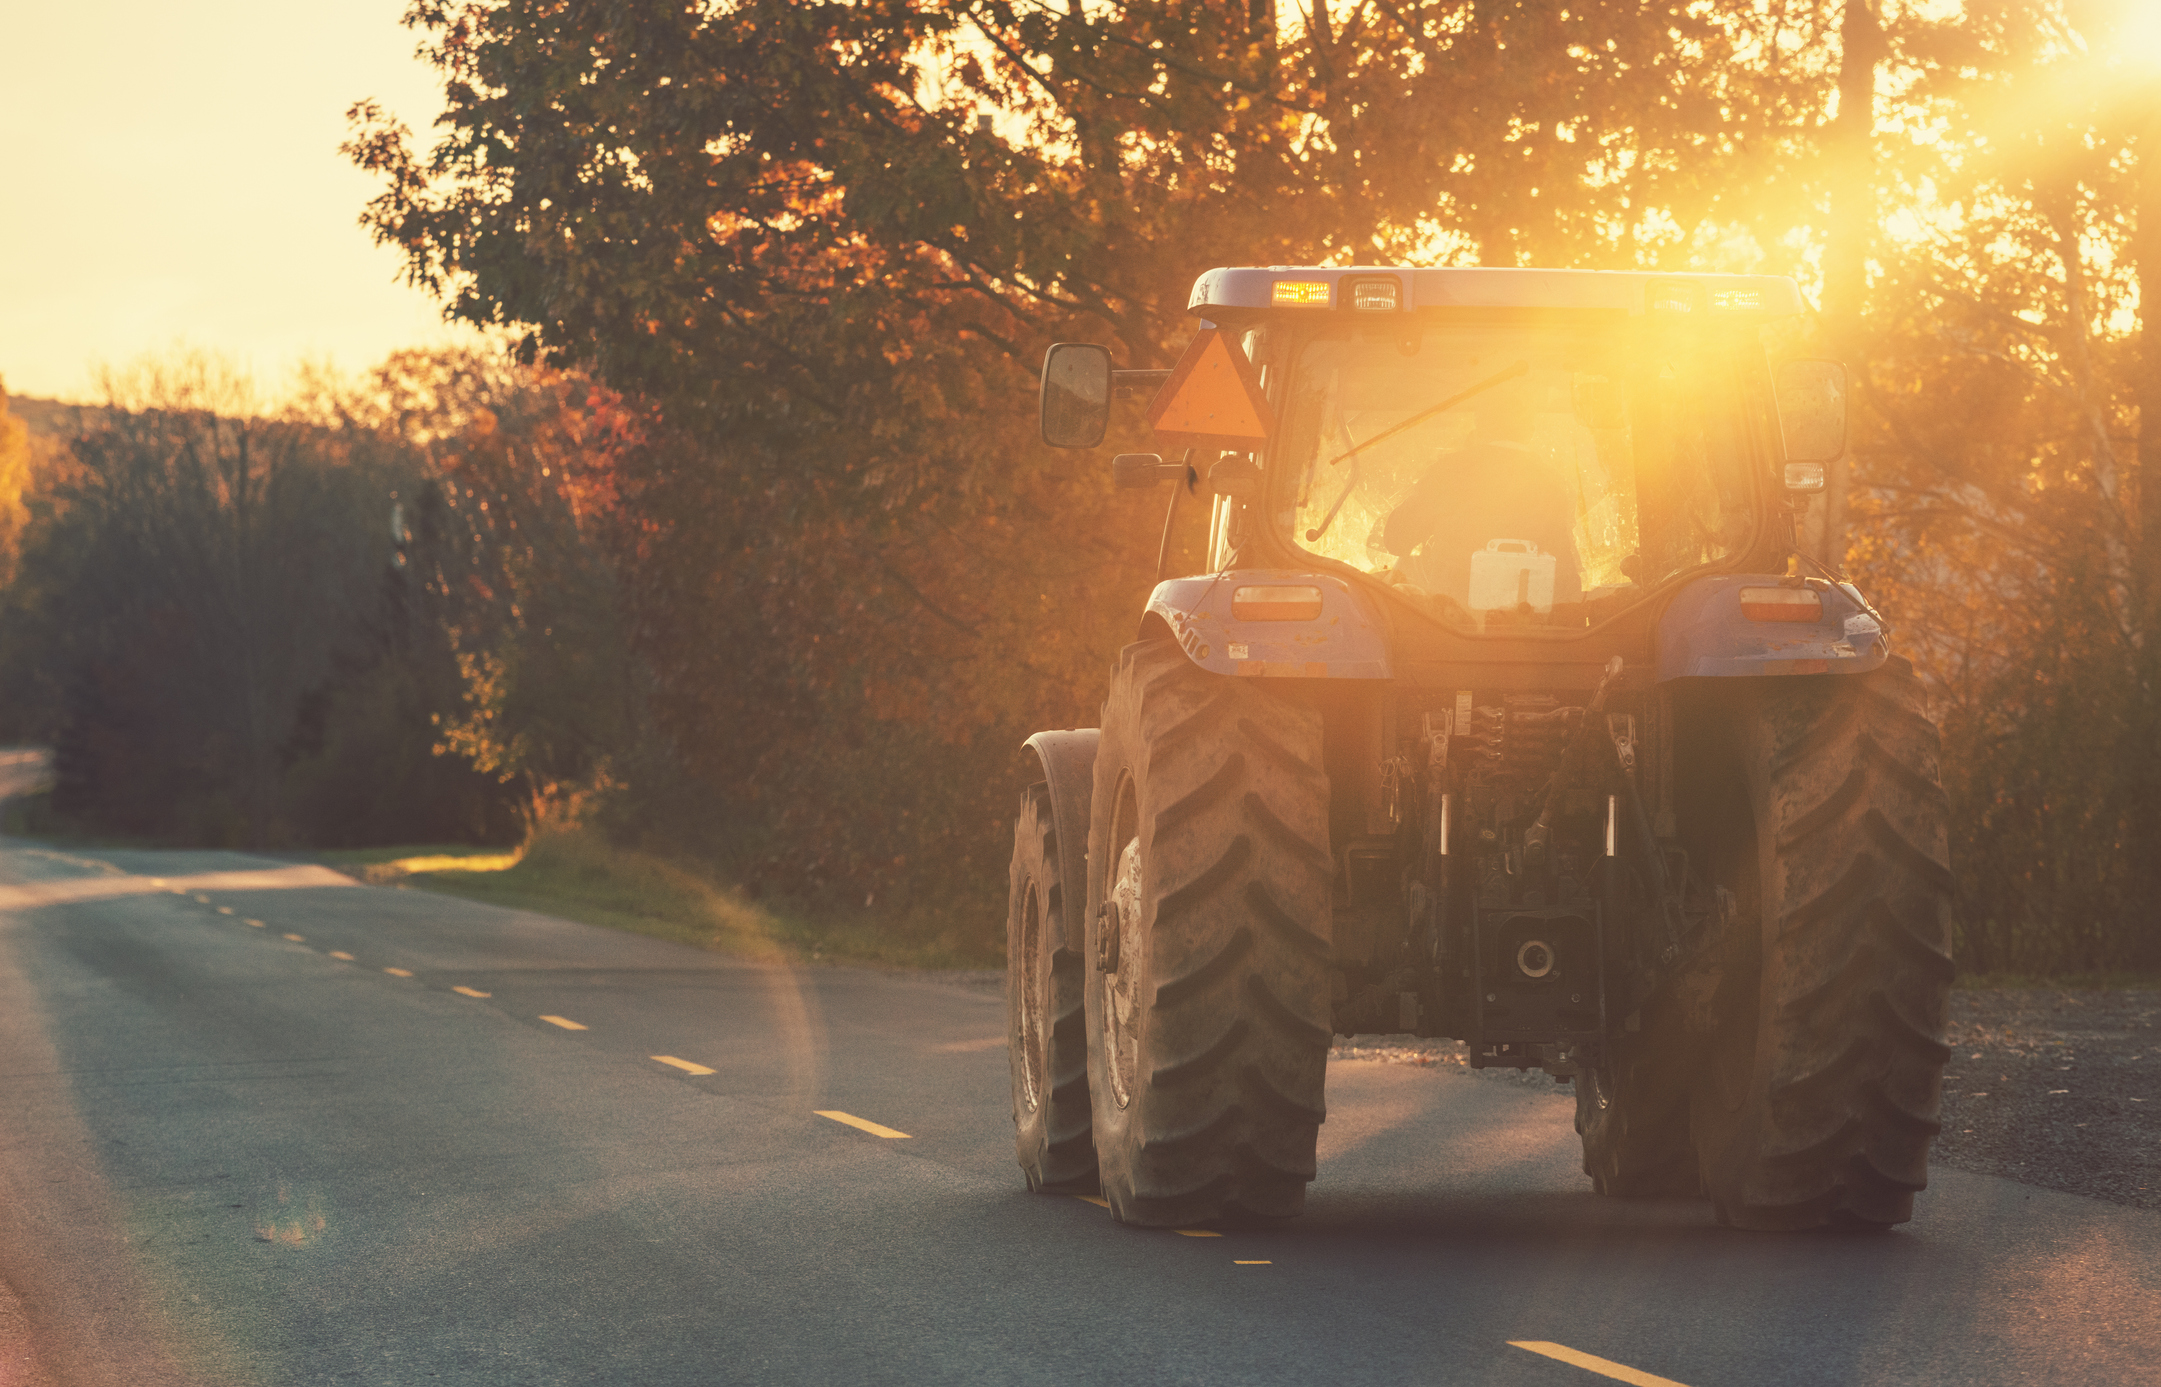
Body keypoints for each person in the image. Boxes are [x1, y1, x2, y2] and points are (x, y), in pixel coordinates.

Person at [1376, 384, 1580, 613]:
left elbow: (1396, 539)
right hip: (1531, 632)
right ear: (1529, 431)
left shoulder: (1449, 472)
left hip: (1451, 628)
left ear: (1479, 427)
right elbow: (1566, 574)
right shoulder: (1554, 484)